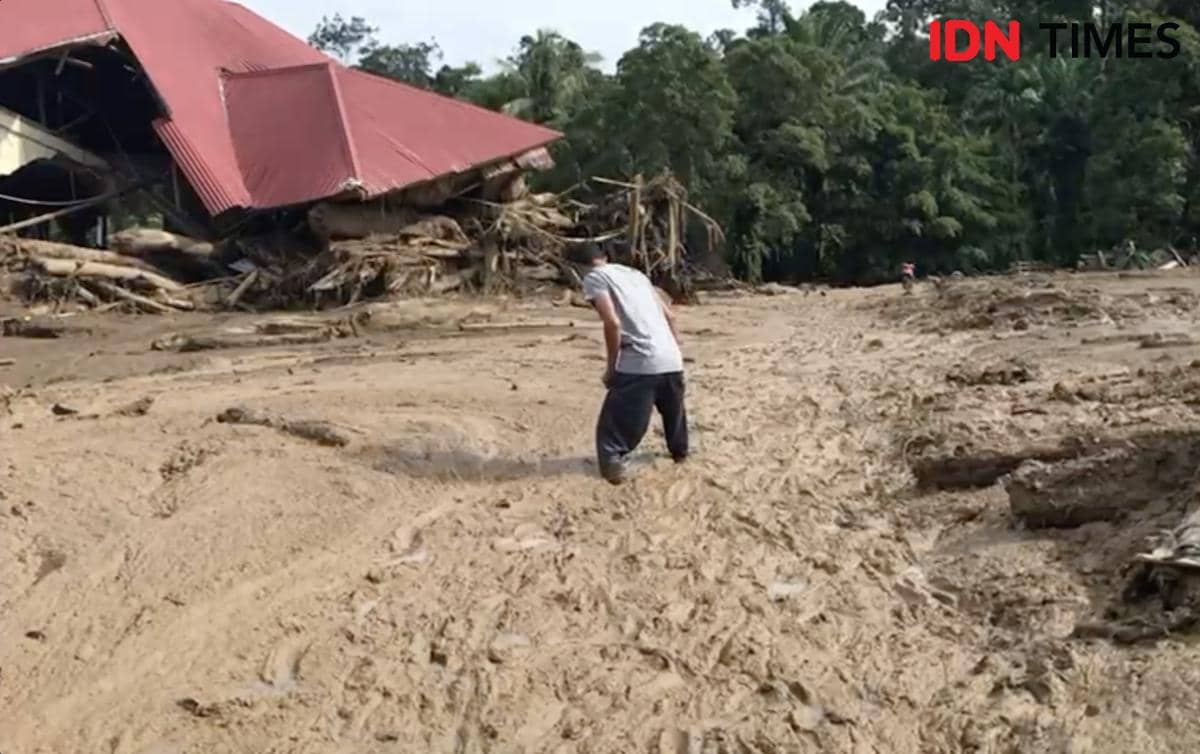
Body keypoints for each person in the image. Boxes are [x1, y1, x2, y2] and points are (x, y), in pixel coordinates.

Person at [570, 242, 688, 485]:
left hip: (640, 361)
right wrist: (674, 347)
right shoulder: (636, 275)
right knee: (674, 413)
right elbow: (671, 315)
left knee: (613, 426)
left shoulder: (594, 278)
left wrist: (613, 367)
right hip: (672, 358)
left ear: (576, 266)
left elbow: (612, 323)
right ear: (604, 256)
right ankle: (680, 454)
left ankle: (613, 466)